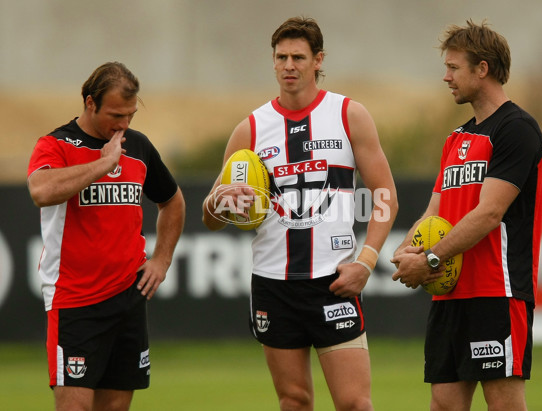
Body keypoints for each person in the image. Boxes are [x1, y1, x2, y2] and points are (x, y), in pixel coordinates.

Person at [203, 17, 398, 411]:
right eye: (281, 57)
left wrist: (366, 260)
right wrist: (218, 202)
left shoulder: (348, 115)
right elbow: (212, 216)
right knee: (293, 400)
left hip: (333, 280)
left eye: (298, 57)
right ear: (272, 62)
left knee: (354, 403)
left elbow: (385, 196)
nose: (288, 65)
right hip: (274, 282)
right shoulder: (251, 130)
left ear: (317, 60)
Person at [391, 20, 542, 410]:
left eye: (454, 67)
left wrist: (428, 259)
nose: (446, 77)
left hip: (497, 290)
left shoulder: (517, 129)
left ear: (483, 68)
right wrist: (407, 250)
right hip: (449, 291)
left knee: (504, 403)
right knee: (444, 404)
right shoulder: (456, 138)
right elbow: (434, 210)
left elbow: (490, 213)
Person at [27, 61, 185, 411]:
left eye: (130, 115)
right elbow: (41, 191)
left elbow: (172, 202)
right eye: (116, 114)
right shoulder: (56, 144)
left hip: (128, 299)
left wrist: (161, 259)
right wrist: (103, 163)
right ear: (89, 103)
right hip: (75, 301)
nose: (124, 124)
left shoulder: (139, 147)